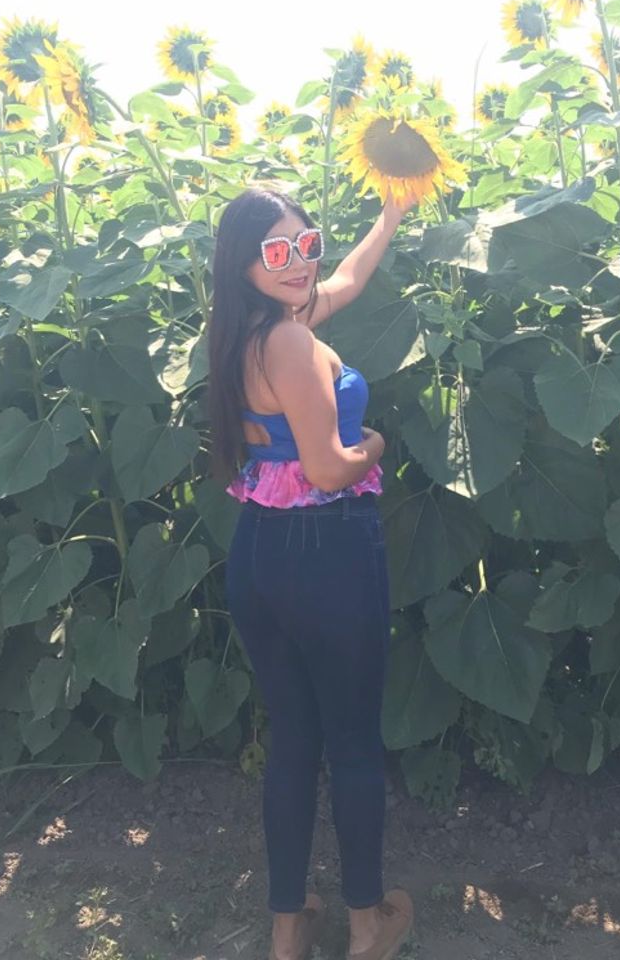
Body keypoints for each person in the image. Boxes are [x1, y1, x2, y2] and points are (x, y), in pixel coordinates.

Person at [207, 185, 418, 960]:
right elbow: (328, 469)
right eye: (277, 252)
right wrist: (378, 448)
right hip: (326, 553)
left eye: (307, 244)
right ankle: (368, 930)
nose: (299, 263)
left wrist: (390, 216)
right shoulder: (292, 344)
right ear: (246, 264)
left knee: (293, 739)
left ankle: (287, 931)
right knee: (355, 744)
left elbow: (350, 281)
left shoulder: (244, 331)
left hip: (258, 552)